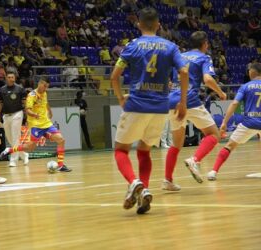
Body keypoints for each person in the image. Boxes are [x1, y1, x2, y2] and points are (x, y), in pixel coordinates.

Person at [110, 7, 189, 214]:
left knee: (121, 150)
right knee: (144, 151)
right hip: (161, 108)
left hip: (137, 104)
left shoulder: (132, 46)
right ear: (159, 25)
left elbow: (114, 76)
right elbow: (183, 71)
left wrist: (120, 98)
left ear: (139, 24)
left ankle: (134, 182)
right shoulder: (171, 47)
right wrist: (182, 102)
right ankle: (143, 191)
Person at [164, 31, 227, 190]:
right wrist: (220, 93)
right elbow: (207, 79)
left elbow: (170, 79)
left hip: (171, 101)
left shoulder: (179, 56)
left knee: (176, 144)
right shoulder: (204, 57)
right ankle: (195, 160)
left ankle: (168, 180)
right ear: (205, 44)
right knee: (214, 134)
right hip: (189, 100)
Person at [0, 77, 72, 172]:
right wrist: (34, 114)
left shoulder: (44, 93)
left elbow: (45, 103)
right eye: (44, 86)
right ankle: (10, 150)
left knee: (61, 140)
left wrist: (49, 111)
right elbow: (27, 110)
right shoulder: (32, 95)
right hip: (36, 124)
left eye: (47, 87)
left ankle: (60, 165)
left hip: (46, 123)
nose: (45, 88)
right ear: (40, 84)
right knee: (30, 147)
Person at [208, 63, 261, 181]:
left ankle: (213, 171)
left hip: (249, 123)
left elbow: (235, 103)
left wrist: (224, 123)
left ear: (251, 72)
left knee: (229, 146)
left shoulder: (245, 86)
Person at [0, 72, 29, 167]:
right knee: (10, 137)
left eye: (12, 77)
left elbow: (24, 103)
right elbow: (0, 103)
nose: (11, 79)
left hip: (17, 114)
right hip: (6, 115)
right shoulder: (2, 89)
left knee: (15, 136)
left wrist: (27, 116)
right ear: (6, 78)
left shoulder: (20, 89)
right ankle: (24, 154)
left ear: (15, 78)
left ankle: (13, 160)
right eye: (9, 77)